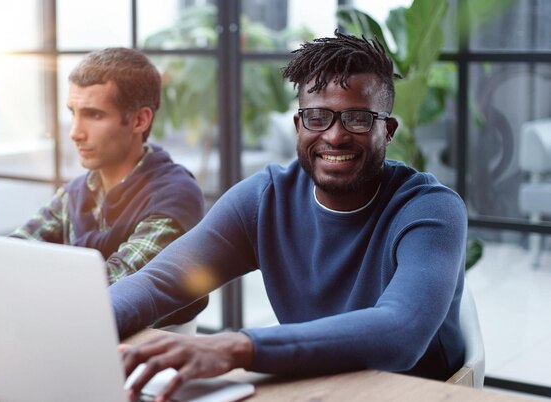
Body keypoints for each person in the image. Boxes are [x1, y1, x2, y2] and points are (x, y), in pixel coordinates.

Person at [111, 32, 467, 401]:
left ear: (387, 130)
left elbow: (401, 331)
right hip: (316, 384)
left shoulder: (429, 208)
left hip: (417, 393)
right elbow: (157, 283)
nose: (335, 136)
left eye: (357, 119)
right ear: (299, 126)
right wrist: (86, 319)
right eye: (317, 117)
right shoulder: (266, 199)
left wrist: (233, 347)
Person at [11, 47, 207, 328]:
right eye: (73, 113)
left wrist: (33, 273)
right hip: (70, 333)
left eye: (93, 115)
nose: (75, 132)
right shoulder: (77, 192)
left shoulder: (175, 196)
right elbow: (12, 252)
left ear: (140, 120)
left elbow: (113, 287)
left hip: (146, 354)